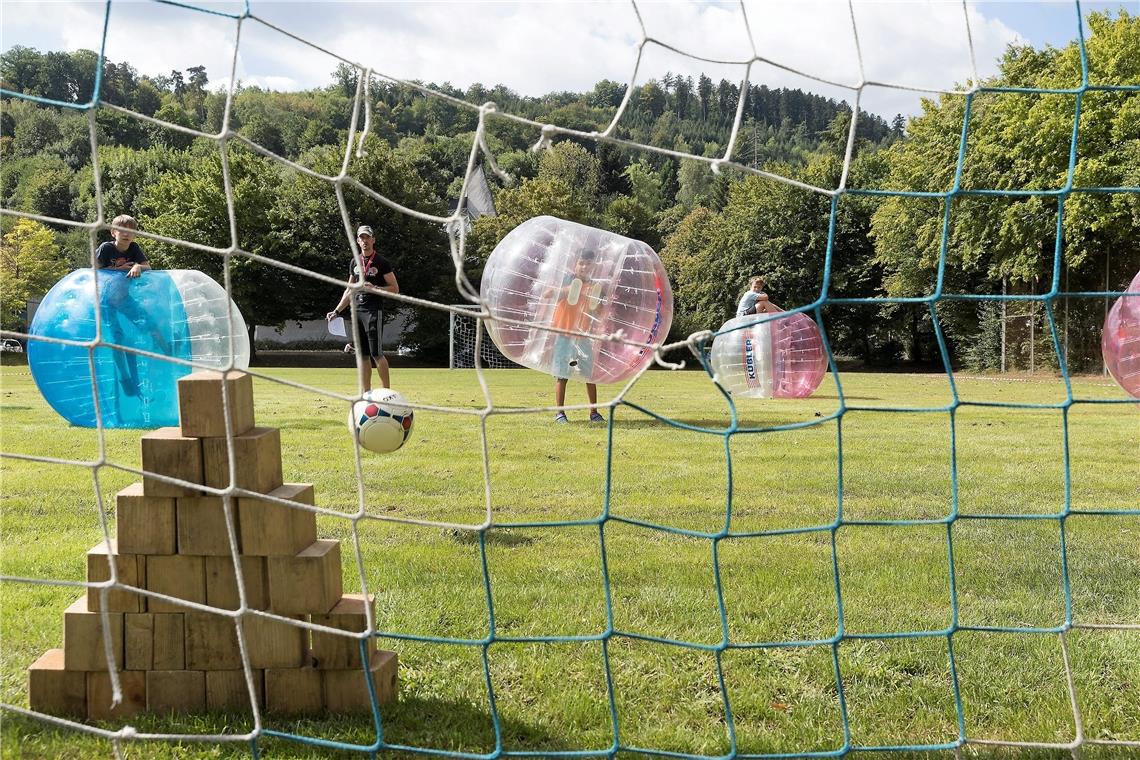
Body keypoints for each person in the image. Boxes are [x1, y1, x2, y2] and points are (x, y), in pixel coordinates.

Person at [327, 225, 399, 392]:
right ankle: (365, 394)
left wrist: (375, 288)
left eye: (367, 237)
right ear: (358, 241)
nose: (365, 241)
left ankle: (386, 393)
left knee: (377, 354)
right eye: (362, 238)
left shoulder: (381, 262)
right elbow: (349, 289)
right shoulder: (354, 261)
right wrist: (336, 311)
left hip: (373, 311)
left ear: (373, 240)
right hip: (357, 312)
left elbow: (395, 289)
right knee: (362, 356)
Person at [96, 215, 159, 397]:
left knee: (150, 322)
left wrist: (138, 266)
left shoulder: (134, 248)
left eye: (130, 232)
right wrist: (120, 270)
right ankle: (126, 381)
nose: (126, 235)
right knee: (117, 340)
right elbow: (94, 270)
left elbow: (149, 268)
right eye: (122, 231)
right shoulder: (106, 248)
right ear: (113, 232)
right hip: (106, 301)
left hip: (124, 299)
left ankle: (167, 351)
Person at [548, 249, 606, 424]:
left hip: (583, 337)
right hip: (564, 335)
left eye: (588, 264)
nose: (584, 266)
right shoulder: (567, 279)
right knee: (562, 375)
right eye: (581, 263)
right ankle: (560, 413)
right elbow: (548, 294)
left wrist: (597, 302)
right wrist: (571, 290)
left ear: (593, 266)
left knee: (590, 375)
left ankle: (594, 412)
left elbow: (599, 311)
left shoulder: (595, 286)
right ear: (575, 263)